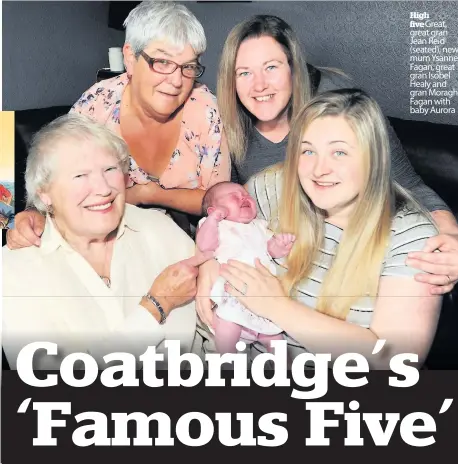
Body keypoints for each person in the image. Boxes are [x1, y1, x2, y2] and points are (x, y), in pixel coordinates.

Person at [215, 14, 458, 296]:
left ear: (294, 68)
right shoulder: (229, 126)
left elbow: (408, 184)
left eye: (271, 67)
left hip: (351, 256)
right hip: (283, 262)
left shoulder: (336, 105)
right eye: (244, 73)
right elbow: (229, 209)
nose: (259, 85)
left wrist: (455, 235)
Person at [204, 89, 444, 368]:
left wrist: (276, 306)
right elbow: (218, 221)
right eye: (308, 151)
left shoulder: (412, 237)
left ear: (373, 158)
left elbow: (395, 362)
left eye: (339, 152)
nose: (319, 170)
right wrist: (208, 262)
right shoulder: (273, 190)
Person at [7, 1, 231, 247]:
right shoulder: (98, 104)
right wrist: (34, 215)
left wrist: (149, 194)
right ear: (130, 58)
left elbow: (220, 201)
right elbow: (55, 179)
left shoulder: (206, 109)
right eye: (163, 62)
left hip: (186, 242)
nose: (177, 81)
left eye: (188, 66)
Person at [2, 114, 211, 370]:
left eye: (110, 170)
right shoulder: (14, 271)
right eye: (80, 176)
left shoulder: (158, 228)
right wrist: (156, 306)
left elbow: (216, 322)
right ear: (44, 193)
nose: (103, 188)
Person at [196, 181, 295, 354]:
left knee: (274, 336)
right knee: (228, 324)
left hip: (263, 292)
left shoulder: (259, 226)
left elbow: (271, 251)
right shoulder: (215, 225)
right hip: (233, 288)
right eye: (234, 196)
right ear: (213, 210)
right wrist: (212, 220)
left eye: (247, 195)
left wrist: (279, 245)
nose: (244, 197)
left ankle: (285, 367)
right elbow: (205, 246)